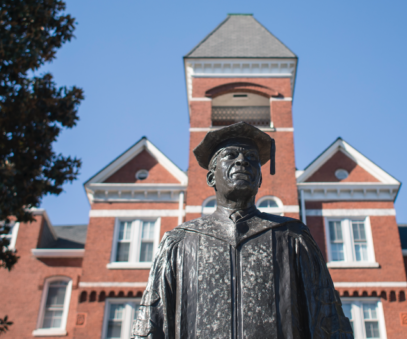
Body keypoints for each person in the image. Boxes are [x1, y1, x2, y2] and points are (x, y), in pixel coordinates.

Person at [131, 122, 353, 339]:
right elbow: (151, 323)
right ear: (211, 177)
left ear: (260, 179)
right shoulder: (179, 243)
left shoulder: (292, 237)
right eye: (230, 156)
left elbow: (328, 321)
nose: (242, 161)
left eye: (251, 158)